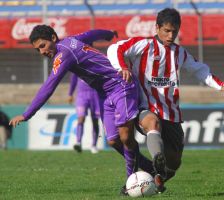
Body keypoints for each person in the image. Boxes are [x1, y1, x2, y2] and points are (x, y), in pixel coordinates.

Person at [107, 7, 224, 192]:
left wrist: (219, 84)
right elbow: (115, 48)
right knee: (152, 123)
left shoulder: (179, 53)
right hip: (145, 106)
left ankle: (156, 177)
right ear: (157, 28)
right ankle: (155, 160)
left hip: (171, 113)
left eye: (174, 32)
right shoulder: (143, 45)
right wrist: (122, 67)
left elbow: (199, 69)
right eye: (167, 31)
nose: (171, 36)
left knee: (174, 164)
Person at [8, 25, 142, 191]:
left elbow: (48, 87)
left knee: (125, 136)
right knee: (113, 140)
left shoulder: (63, 55)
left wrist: (27, 114)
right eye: (37, 50)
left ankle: (132, 181)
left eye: (42, 46)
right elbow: (91, 33)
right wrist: (108, 34)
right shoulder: (71, 41)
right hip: (105, 94)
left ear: (53, 38)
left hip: (120, 85)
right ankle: (147, 166)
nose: (41, 52)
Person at [67, 29, 118, 154]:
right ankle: (78, 142)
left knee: (95, 120)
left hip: (95, 93)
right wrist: (70, 93)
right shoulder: (77, 56)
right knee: (81, 118)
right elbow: (74, 77)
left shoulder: (95, 55)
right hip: (82, 95)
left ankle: (94, 145)